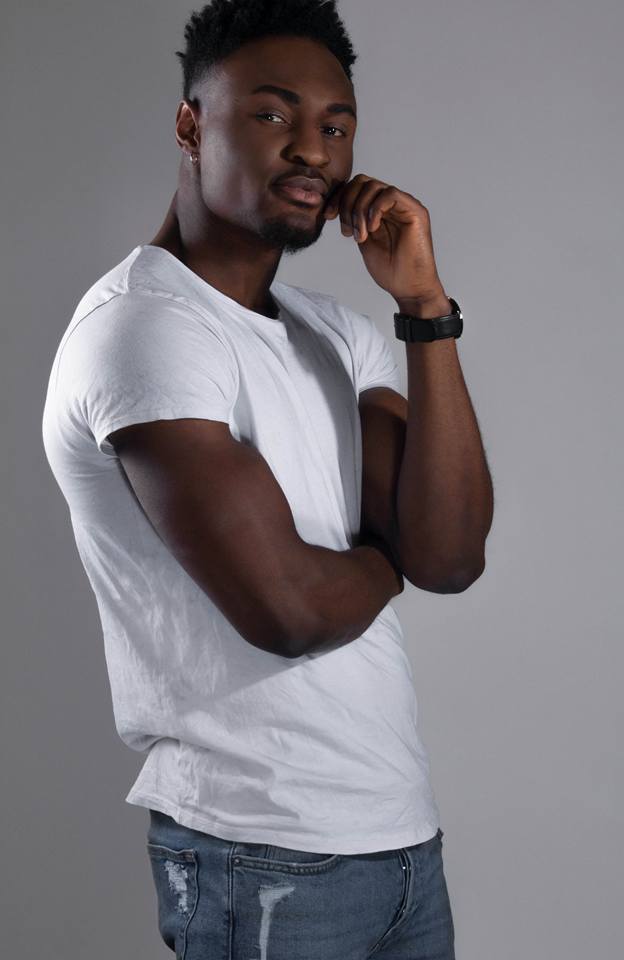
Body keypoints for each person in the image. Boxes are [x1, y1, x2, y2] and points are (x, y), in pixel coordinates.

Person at [42, 1, 493, 956]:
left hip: (400, 839)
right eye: (273, 113)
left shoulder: (338, 333)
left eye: (336, 125)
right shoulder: (146, 330)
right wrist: (391, 555)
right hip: (255, 853)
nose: (313, 151)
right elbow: (288, 610)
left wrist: (425, 309)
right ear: (190, 124)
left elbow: (450, 555)